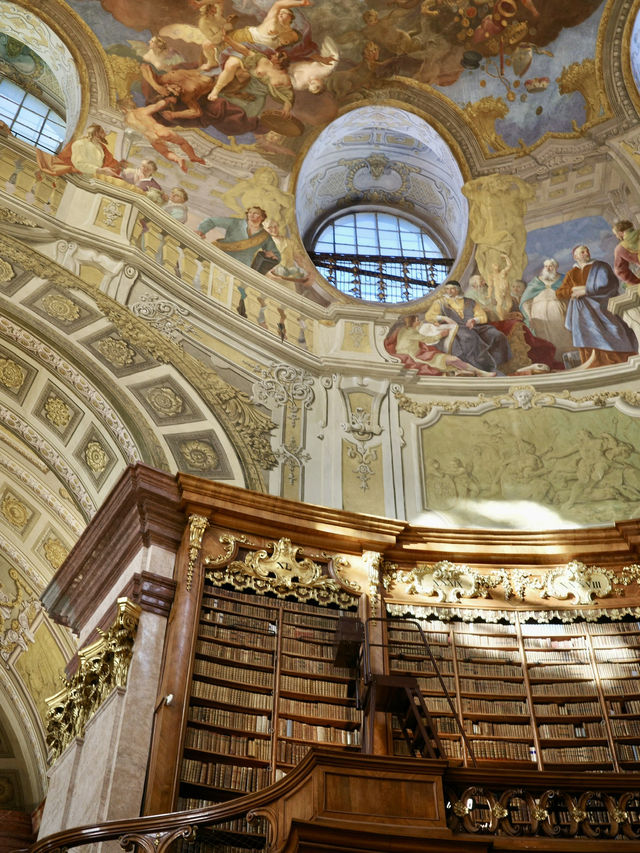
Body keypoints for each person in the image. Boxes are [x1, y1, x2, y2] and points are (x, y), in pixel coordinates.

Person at [555, 244, 637, 368]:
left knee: (613, 331)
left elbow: (609, 284)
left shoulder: (600, 266)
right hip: (581, 313)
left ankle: (619, 362)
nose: (586, 253)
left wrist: (586, 290)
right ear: (575, 256)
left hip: (602, 308)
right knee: (585, 337)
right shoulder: (572, 273)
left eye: (587, 251)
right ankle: (595, 364)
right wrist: (573, 290)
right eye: (582, 252)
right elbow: (560, 293)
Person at [423, 280, 511, 373]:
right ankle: (483, 367)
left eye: (452, 289)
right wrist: (444, 318)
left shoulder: (470, 301)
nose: (449, 291)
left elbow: (483, 317)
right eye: (447, 289)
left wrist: (474, 320)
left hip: (474, 327)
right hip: (455, 328)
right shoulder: (440, 302)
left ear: (458, 289)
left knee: (496, 334)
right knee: (469, 337)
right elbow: (429, 316)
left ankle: (501, 364)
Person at [385, 314, 497, 376]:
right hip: (416, 358)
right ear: (413, 323)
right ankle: (480, 373)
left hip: (420, 354)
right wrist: (442, 334)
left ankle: (468, 372)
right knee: (453, 359)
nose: (420, 322)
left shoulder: (403, 330)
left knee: (453, 360)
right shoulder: (411, 332)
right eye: (417, 320)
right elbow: (428, 338)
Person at [520, 258, 573, 360]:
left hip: (560, 315)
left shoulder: (564, 279)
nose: (548, 268)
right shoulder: (536, 282)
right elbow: (526, 300)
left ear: (556, 267)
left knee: (561, 337)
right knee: (543, 339)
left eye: (551, 266)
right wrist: (530, 316)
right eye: (546, 266)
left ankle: (563, 360)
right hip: (539, 317)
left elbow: (571, 296)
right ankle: (548, 361)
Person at [197, 206, 280, 271]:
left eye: (255, 213)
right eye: (250, 212)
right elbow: (211, 221)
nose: (251, 214)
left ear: (262, 217)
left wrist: (272, 256)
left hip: (241, 267)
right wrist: (201, 230)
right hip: (221, 258)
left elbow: (276, 255)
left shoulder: (264, 236)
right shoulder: (235, 223)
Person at [36, 124, 123, 178]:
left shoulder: (100, 147)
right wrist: (99, 170)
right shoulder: (80, 144)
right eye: (102, 133)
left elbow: (108, 161)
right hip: (83, 177)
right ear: (96, 133)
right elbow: (79, 164)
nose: (104, 135)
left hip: (95, 175)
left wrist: (118, 166)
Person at [612, 219, 640, 287]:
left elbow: (620, 271)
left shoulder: (620, 249)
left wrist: (636, 282)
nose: (617, 237)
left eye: (616, 234)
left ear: (620, 233)